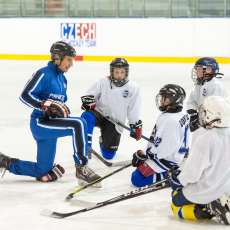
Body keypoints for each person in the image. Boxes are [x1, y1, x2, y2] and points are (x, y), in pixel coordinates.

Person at [0, 41, 100, 185]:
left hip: (51, 124)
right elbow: (25, 95)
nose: (71, 64)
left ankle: (6, 162)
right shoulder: (44, 74)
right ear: (57, 58)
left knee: (42, 169)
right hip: (40, 123)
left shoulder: (62, 79)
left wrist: (60, 110)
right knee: (79, 124)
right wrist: (43, 105)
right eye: (69, 60)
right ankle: (82, 167)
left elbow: (58, 104)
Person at [170, 96, 230, 225]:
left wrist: (177, 179)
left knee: (175, 204)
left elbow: (192, 174)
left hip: (207, 190)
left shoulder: (206, 139)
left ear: (211, 115)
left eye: (204, 113)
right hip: (226, 188)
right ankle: (220, 201)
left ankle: (208, 209)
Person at [80, 57, 142, 160]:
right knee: (87, 116)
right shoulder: (103, 82)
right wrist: (88, 101)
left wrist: (134, 124)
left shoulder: (133, 88)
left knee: (108, 155)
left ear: (126, 72)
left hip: (115, 121)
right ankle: (85, 145)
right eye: (116, 72)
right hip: (99, 114)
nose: (119, 75)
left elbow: (133, 109)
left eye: (122, 72)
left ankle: (102, 141)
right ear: (111, 72)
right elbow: (89, 95)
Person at [131, 84, 189, 187]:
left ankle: (170, 176)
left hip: (168, 159)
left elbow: (166, 148)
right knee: (139, 170)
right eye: (162, 97)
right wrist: (145, 154)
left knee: (137, 179)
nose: (161, 101)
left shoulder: (171, 121)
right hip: (175, 154)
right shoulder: (180, 114)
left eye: (165, 98)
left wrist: (146, 155)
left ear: (175, 100)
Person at [187, 57, 227, 132]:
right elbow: (192, 101)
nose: (196, 71)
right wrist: (193, 115)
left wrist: (200, 121)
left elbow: (215, 109)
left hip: (217, 126)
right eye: (196, 69)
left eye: (199, 69)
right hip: (205, 122)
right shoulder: (200, 84)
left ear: (208, 70)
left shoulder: (215, 86)